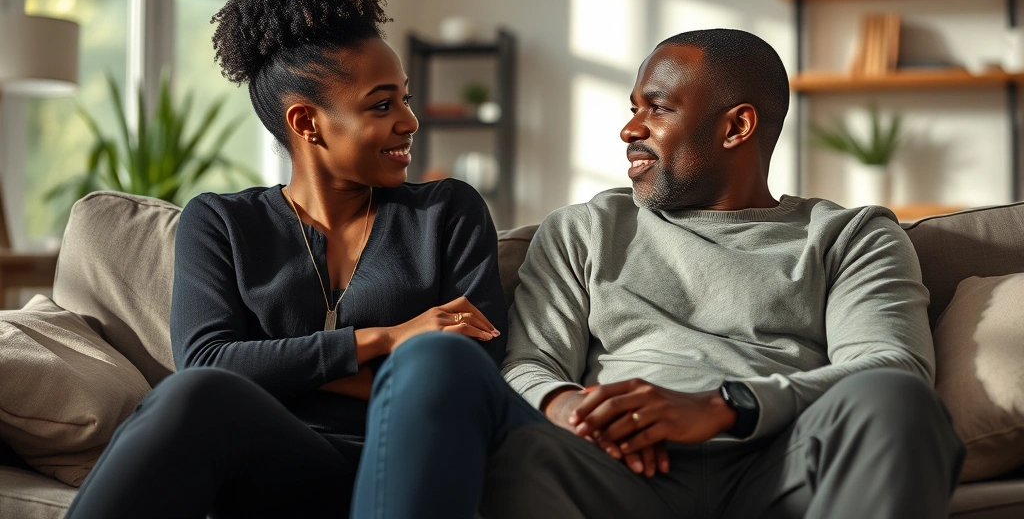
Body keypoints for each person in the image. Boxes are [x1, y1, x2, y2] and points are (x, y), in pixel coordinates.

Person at [349, 29, 965, 519]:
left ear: (736, 126)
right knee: (440, 364)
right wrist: (570, 407)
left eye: (657, 108)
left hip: (779, 464)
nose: (629, 129)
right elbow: (528, 363)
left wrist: (727, 407)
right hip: (606, 471)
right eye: (632, 108)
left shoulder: (849, 235)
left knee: (896, 400)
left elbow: (890, 365)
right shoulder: (585, 228)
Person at [65, 0, 505, 519]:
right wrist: (387, 339)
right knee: (195, 395)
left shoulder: (448, 212)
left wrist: (277, 372)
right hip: (273, 464)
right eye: (382, 104)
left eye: (405, 99)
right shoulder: (222, 222)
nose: (409, 121)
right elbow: (208, 364)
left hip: (403, 459)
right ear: (306, 123)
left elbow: (474, 375)